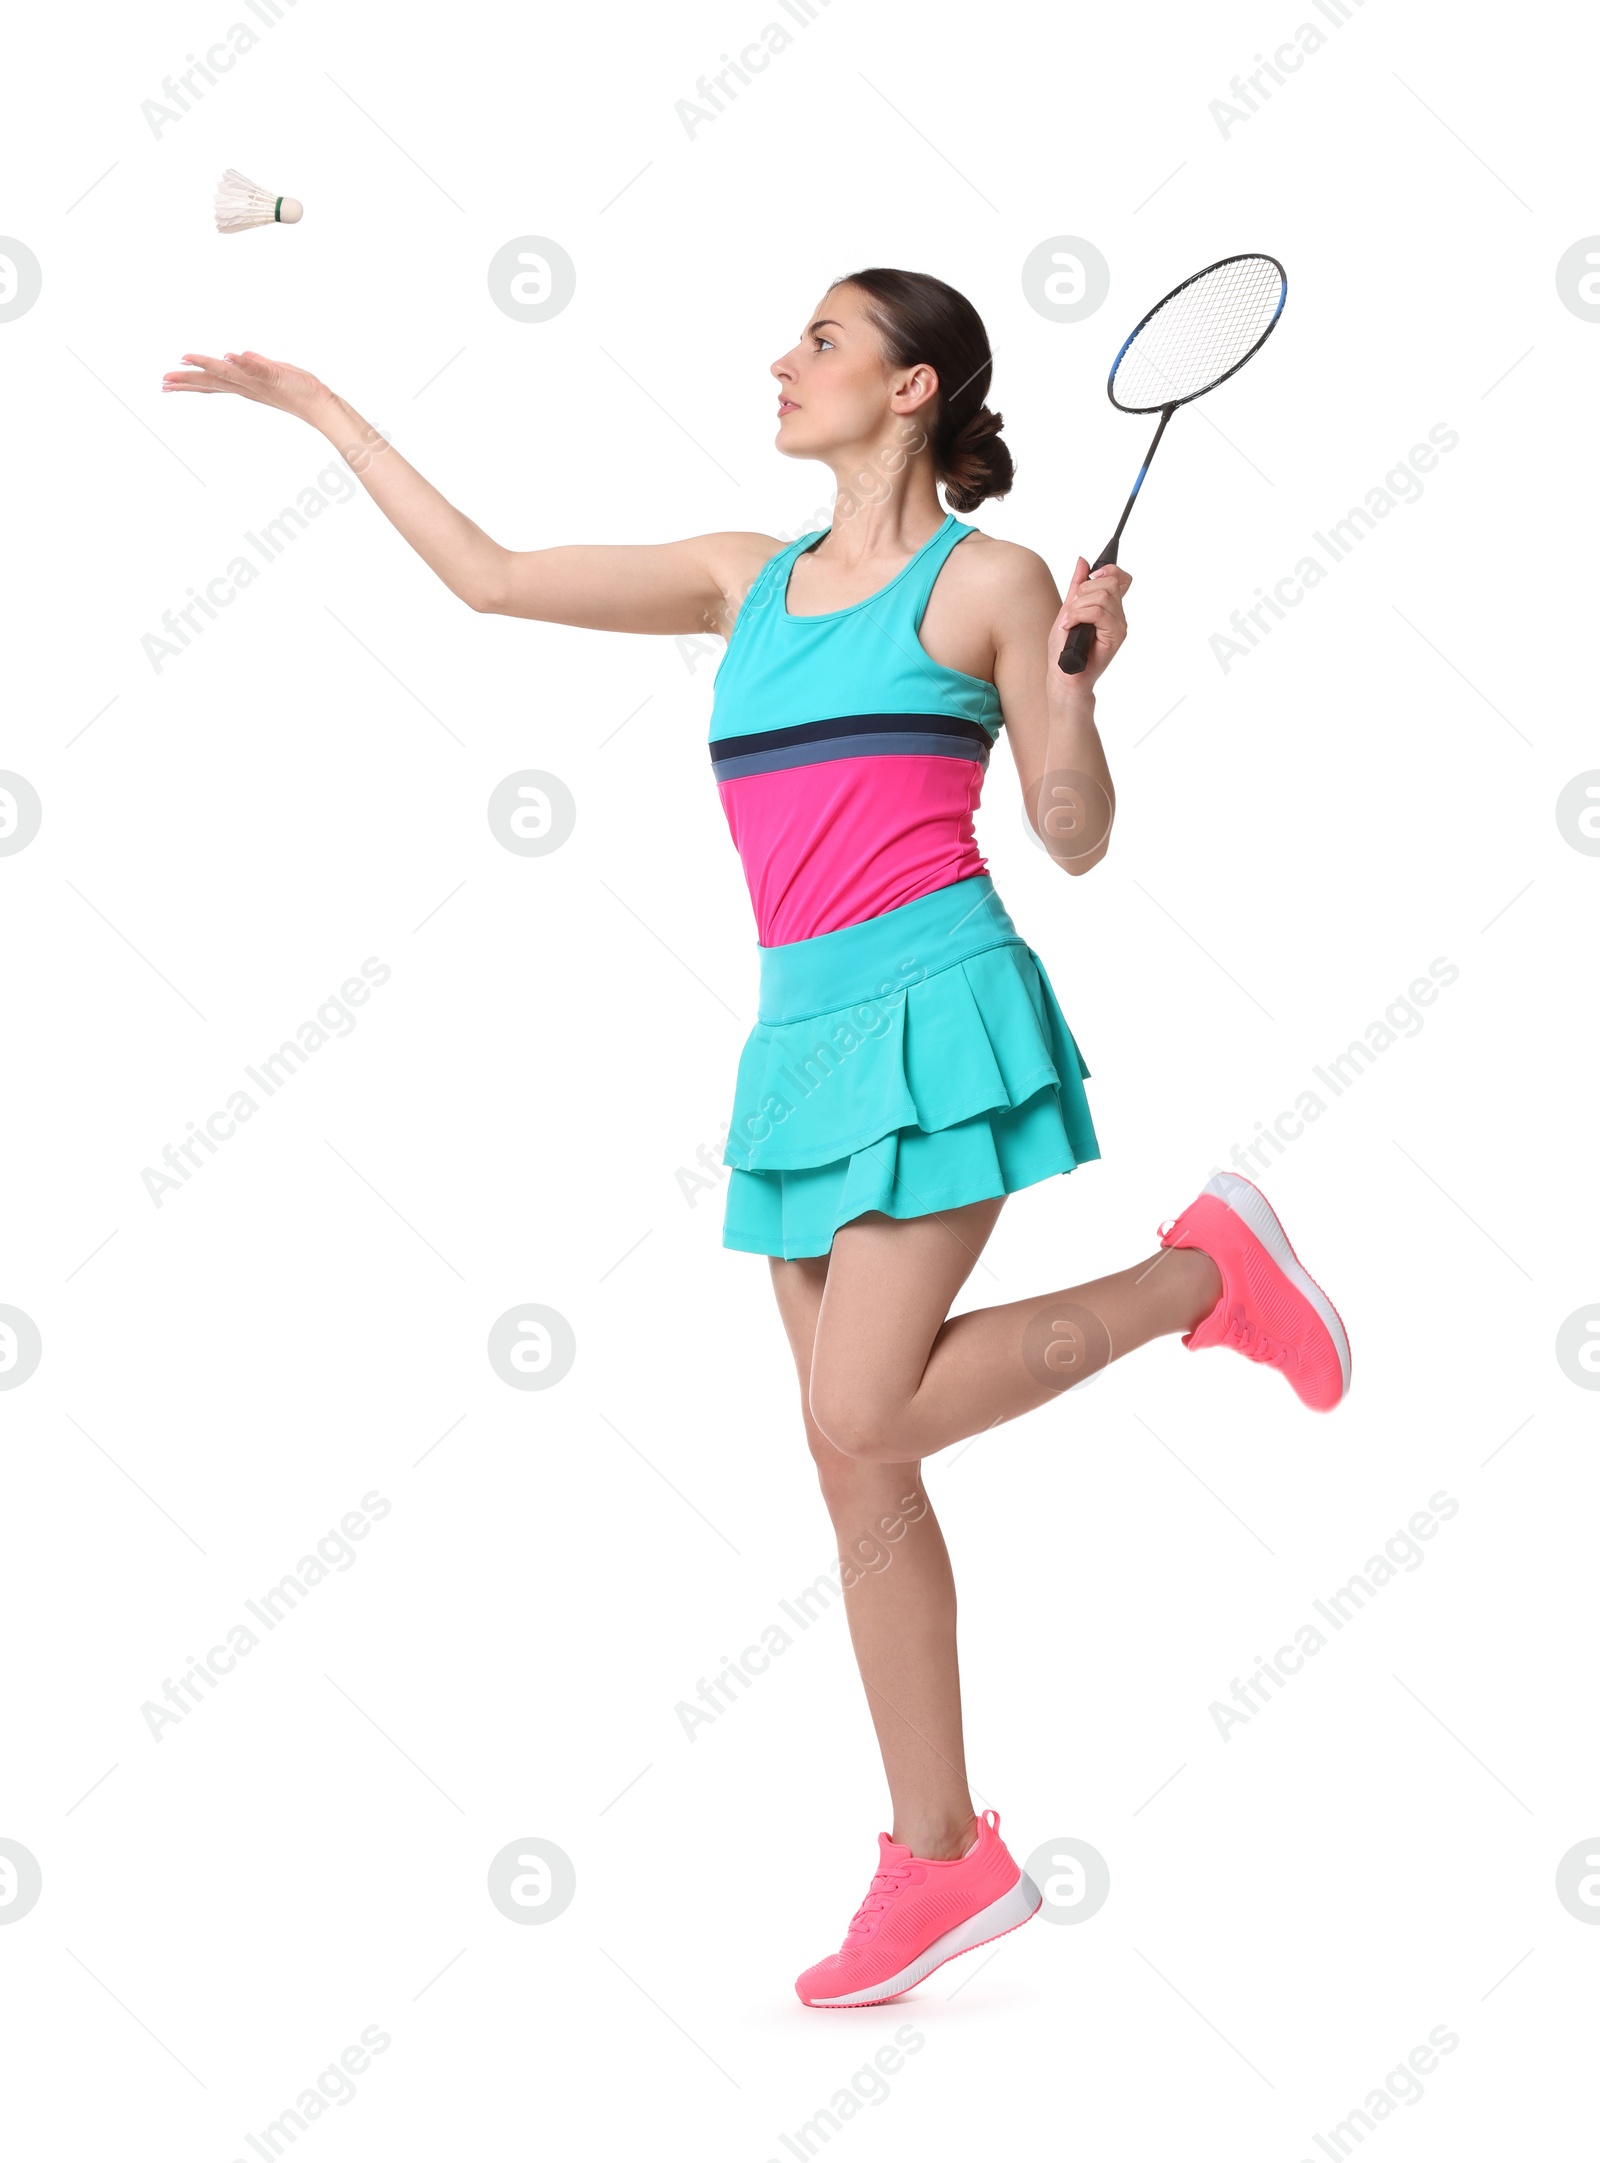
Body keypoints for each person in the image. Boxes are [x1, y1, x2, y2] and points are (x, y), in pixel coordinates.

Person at [165, 265, 1349, 2010]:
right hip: (796, 1042)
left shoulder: (996, 583)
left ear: (912, 391)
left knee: (860, 1407)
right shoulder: (747, 582)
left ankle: (1202, 1278)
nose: (780, 363)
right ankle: (941, 1859)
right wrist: (327, 412)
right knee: (858, 1468)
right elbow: (492, 578)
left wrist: (1081, 679)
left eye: (822, 341)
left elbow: (1075, 838)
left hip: (939, 1011)